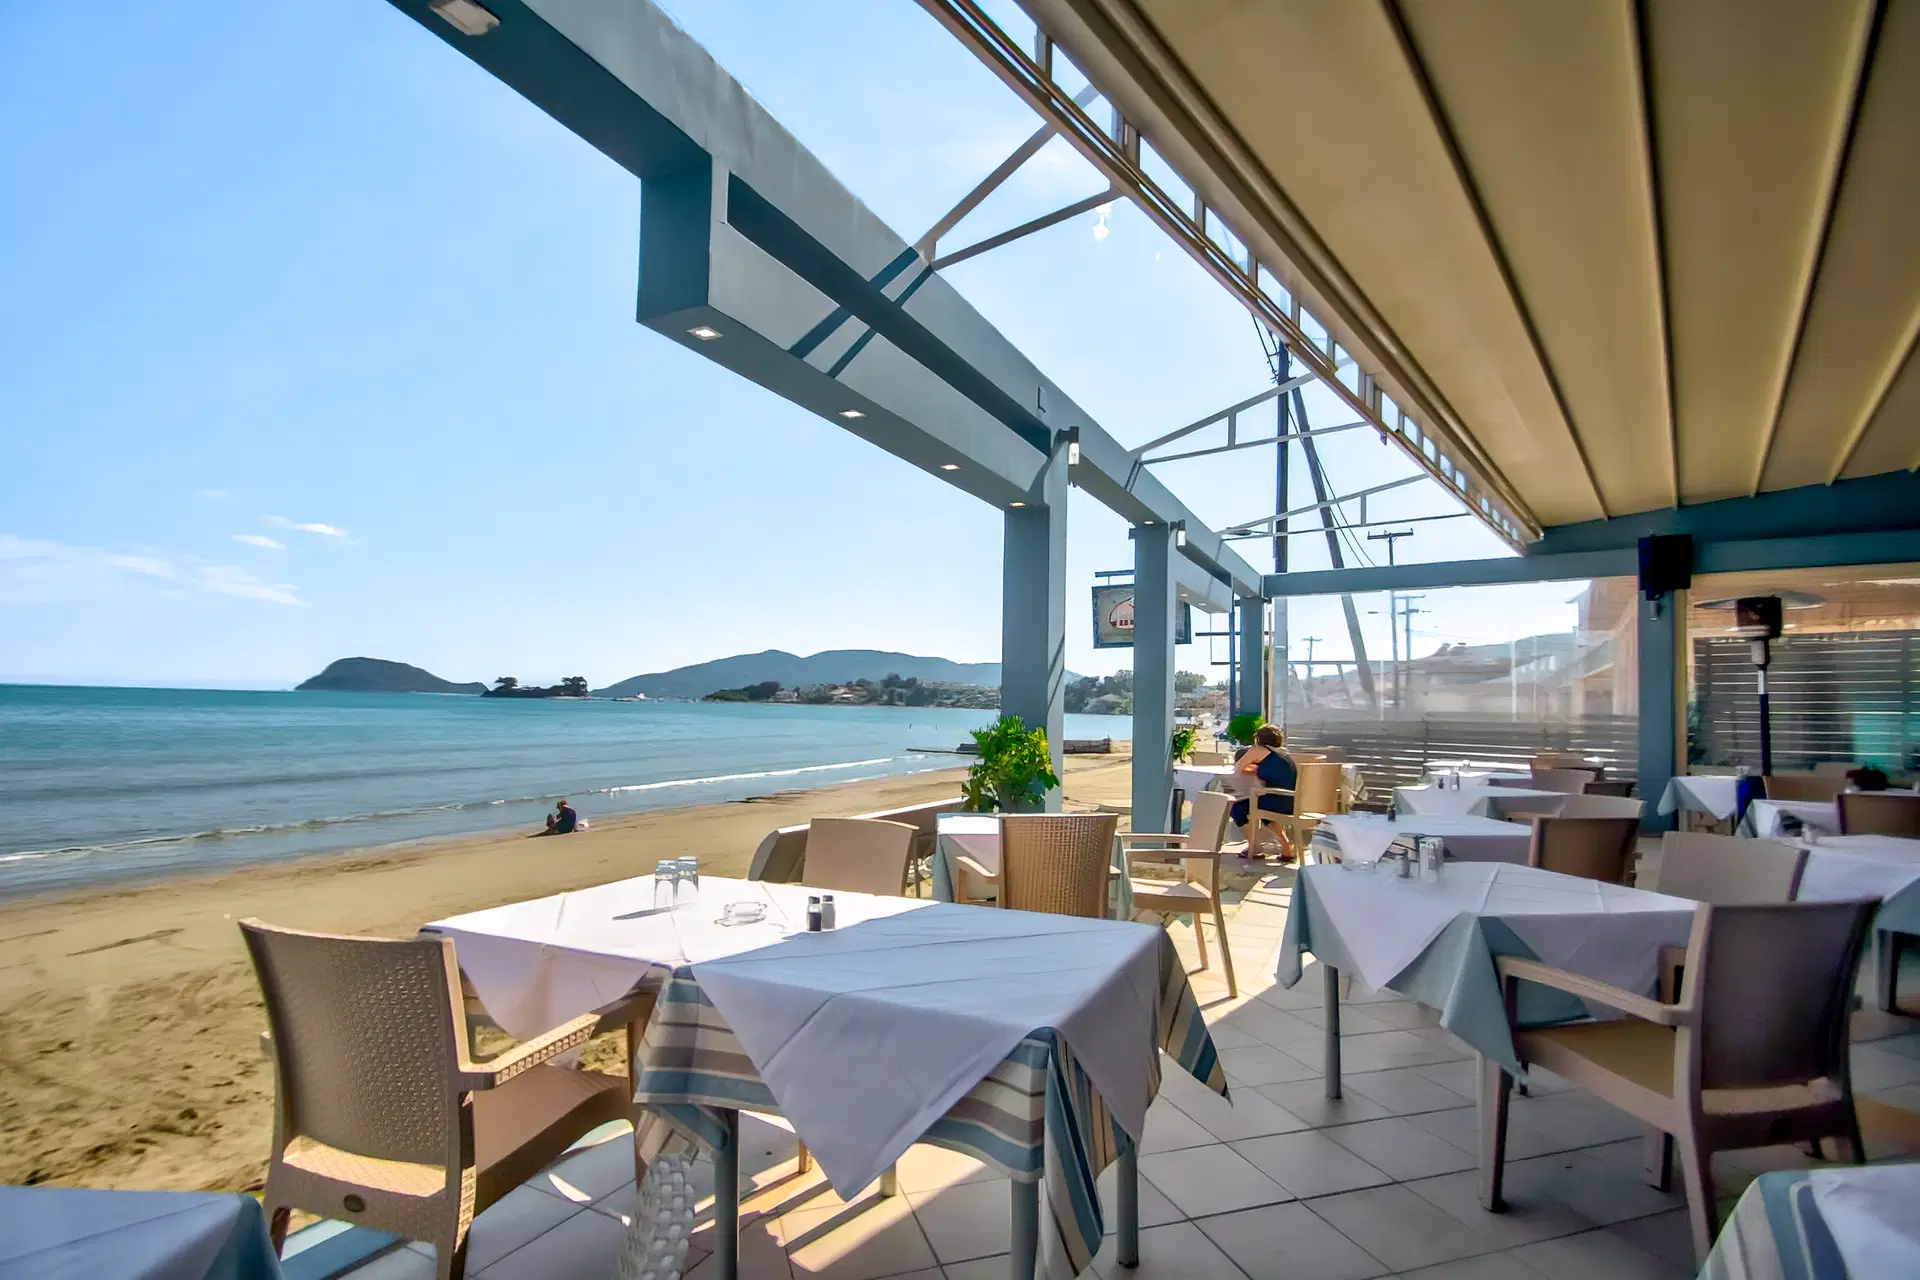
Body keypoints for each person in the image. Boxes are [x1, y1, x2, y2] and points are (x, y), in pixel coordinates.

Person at [1229, 726, 1297, 860]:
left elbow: (1238, 767)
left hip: (1275, 800)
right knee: (1265, 814)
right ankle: (1288, 848)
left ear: (1258, 739)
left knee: (1238, 809)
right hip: (1291, 801)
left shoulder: (1259, 750)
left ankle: (1255, 847)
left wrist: (1251, 764)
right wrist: (1257, 769)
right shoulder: (1283, 754)